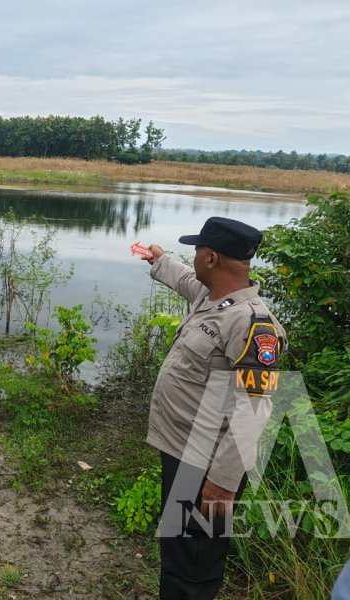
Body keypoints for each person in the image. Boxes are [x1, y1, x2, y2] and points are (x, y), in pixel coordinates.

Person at [139, 217, 287, 600]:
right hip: (182, 451)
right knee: (178, 543)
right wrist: (159, 259)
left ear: (211, 257)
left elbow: (254, 409)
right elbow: (186, 281)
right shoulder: (213, 298)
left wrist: (222, 482)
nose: (194, 256)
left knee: (195, 559)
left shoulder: (253, 325)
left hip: (207, 462)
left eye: (197, 250)